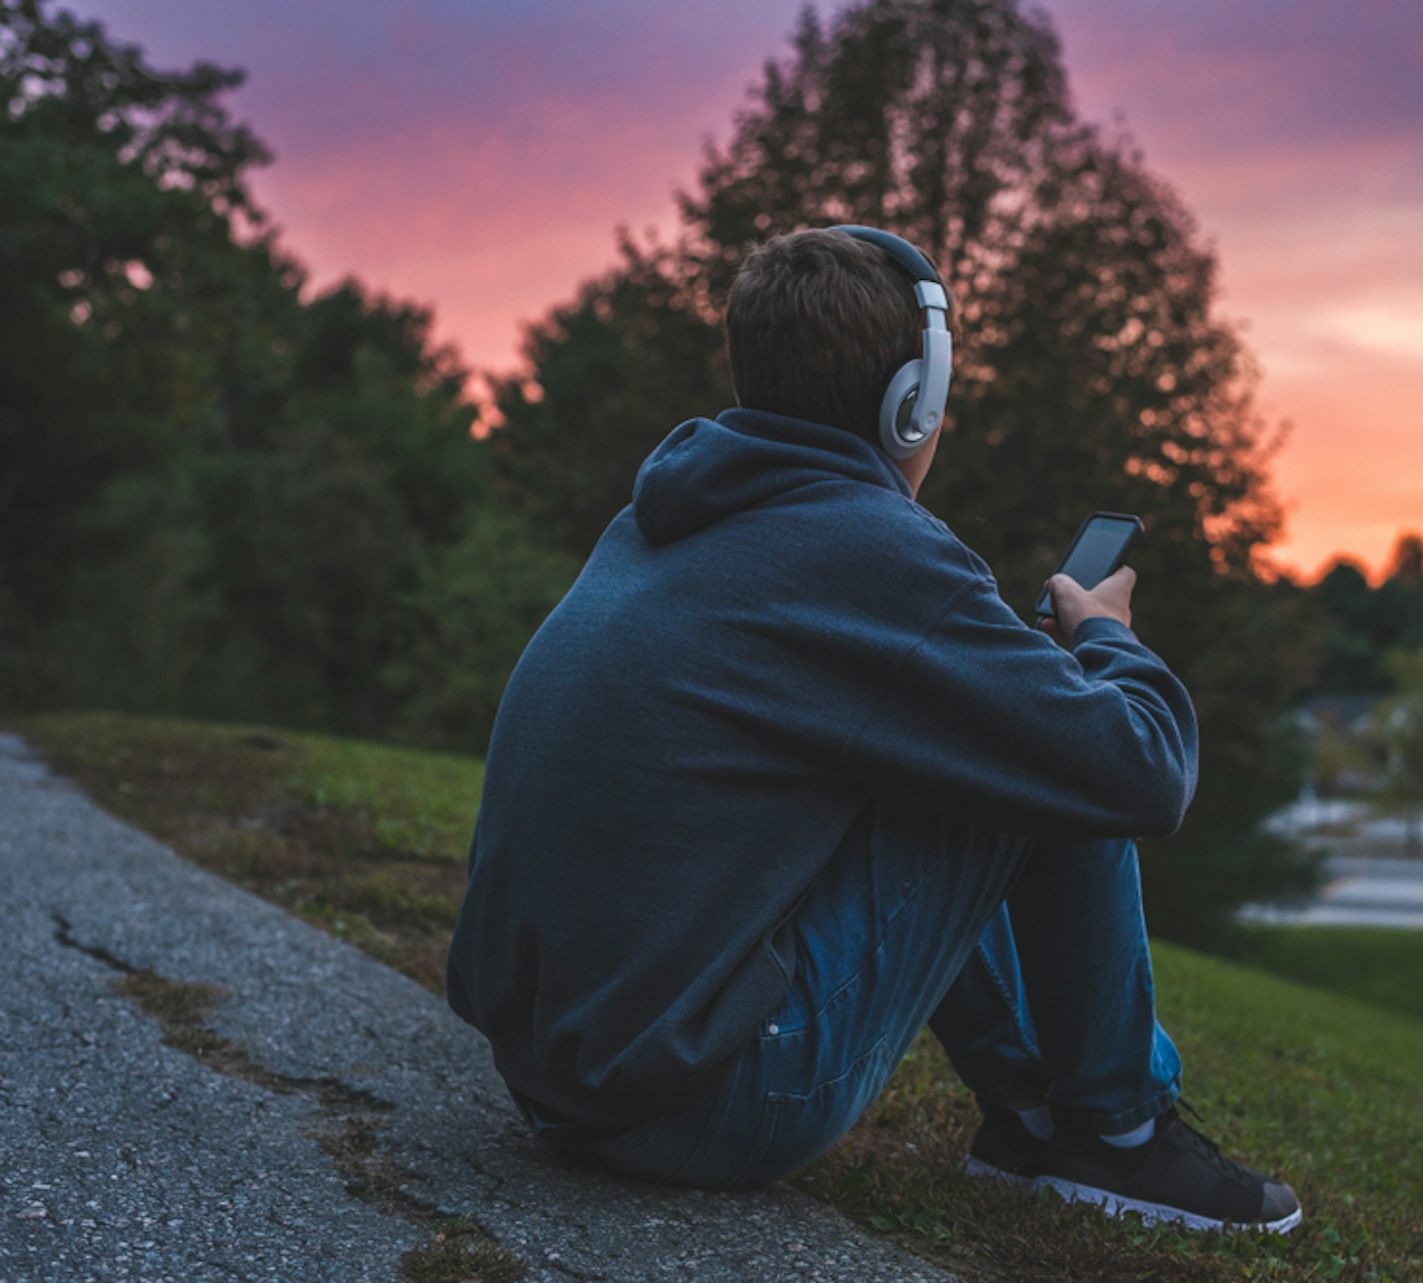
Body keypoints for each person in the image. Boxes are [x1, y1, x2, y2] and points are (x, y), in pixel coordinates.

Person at [444, 225, 1302, 1234]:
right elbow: (1140, 770)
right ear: (914, 401)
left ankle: (1031, 1118)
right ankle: (1116, 1133)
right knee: (1047, 743)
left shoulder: (660, 516)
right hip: (701, 1104)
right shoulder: (870, 547)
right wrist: (1106, 640)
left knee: (970, 732)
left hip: (554, 1077)